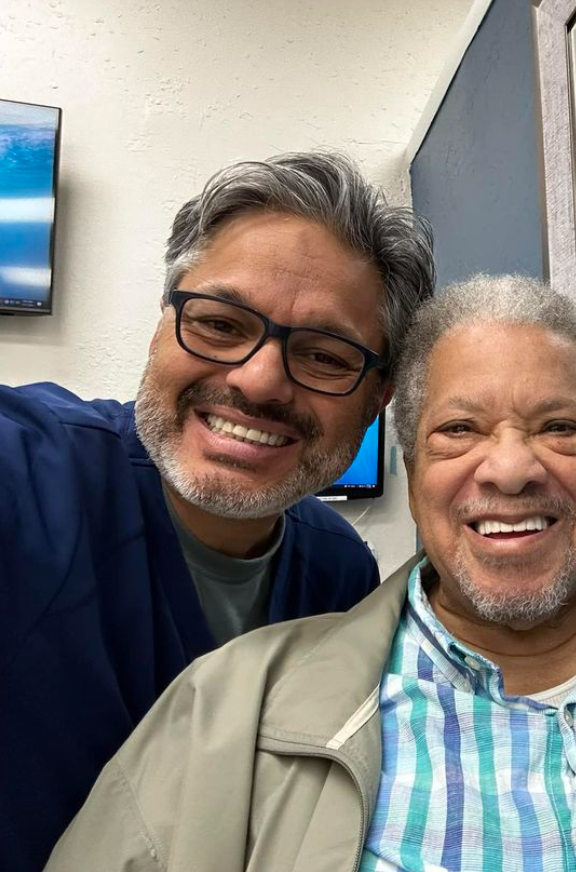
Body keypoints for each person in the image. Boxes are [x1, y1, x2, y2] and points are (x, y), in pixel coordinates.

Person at [43, 274, 576, 872]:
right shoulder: (220, 709)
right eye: (459, 430)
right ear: (415, 478)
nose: (509, 469)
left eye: (559, 427)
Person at [0, 151, 435, 872]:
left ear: (377, 400)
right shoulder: (26, 473)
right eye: (221, 324)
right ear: (162, 324)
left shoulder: (340, 574)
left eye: (326, 357)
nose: (259, 381)